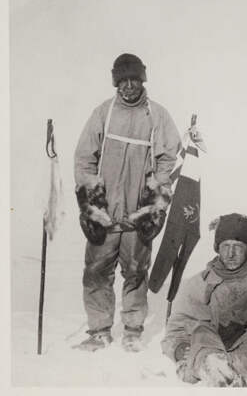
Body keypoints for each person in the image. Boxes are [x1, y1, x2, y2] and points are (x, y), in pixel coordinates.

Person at [73, 53, 181, 352]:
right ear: (116, 83)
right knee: (96, 271)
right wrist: (91, 201)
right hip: (105, 212)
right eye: (123, 81)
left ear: (143, 80)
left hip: (137, 213)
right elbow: (84, 158)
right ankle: (99, 331)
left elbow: (167, 160)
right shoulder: (103, 114)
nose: (130, 86)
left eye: (135, 79)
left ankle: (133, 330)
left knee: (135, 271)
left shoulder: (157, 115)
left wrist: (155, 200)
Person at [161, 213, 247, 387]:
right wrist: (180, 349)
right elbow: (176, 329)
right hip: (210, 343)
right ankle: (215, 368)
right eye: (225, 245)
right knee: (201, 330)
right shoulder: (200, 282)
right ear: (217, 248)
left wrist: (233, 318)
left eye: (238, 246)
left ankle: (218, 369)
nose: (231, 253)